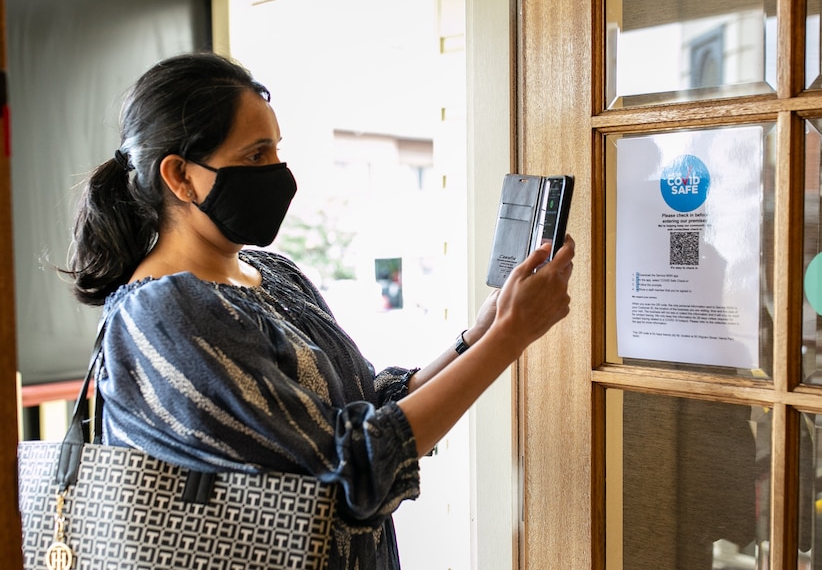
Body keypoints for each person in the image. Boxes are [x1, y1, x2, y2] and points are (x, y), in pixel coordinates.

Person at [64, 52, 574, 570]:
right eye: (256, 156)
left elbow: (367, 407)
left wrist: (482, 334)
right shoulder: (166, 312)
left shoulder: (272, 273)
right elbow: (350, 469)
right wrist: (511, 336)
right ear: (180, 176)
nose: (280, 175)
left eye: (277, 152)